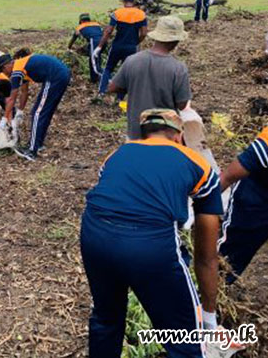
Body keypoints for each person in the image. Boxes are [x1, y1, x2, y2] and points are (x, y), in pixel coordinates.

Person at [81, 108, 222, 358]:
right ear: (179, 136)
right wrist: (209, 317)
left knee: (106, 318)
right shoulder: (198, 163)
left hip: (95, 235)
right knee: (184, 339)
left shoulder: (116, 155)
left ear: (143, 134)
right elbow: (207, 256)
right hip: (151, 245)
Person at [108, 16, 191, 140]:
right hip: (165, 135)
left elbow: (112, 87)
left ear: (156, 37)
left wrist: (133, 86)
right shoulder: (178, 68)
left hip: (136, 133)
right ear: (176, 41)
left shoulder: (132, 60)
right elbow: (182, 105)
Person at [217, 124, 268, 284]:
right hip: (257, 196)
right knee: (230, 256)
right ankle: (208, 290)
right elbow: (228, 176)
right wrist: (198, 204)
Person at [0, 49, 71, 161]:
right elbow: (24, 92)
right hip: (60, 74)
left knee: (37, 113)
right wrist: (20, 111)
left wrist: (5, 118)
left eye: (3, 70)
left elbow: (12, 98)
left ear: (7, 65)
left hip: (55, 76)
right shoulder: (22, 66)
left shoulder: (17, 69)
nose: (5, 74)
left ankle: (32, 151)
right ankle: (38, 144)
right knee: (44, 111)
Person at [94, 0, 148, 98]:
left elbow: (108, 31)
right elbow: (143, 33)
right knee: (125, 72)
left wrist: (99, 46)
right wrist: (136, 42)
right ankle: (120, 98)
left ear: (123, 0)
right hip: (131, 48)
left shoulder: (117, 13)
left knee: (108, 68)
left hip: (117, 46)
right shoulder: (141, 14)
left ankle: (101, 92)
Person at [68, 13, 103, 83]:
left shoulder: (80, 27)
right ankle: (93, 80)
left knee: (95, 66)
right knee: (94, 60)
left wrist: (69, 47)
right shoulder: (96, 24)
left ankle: (109, 78)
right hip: (103, 41)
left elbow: (73, 38)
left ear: (81, 21)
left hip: (94, 42)